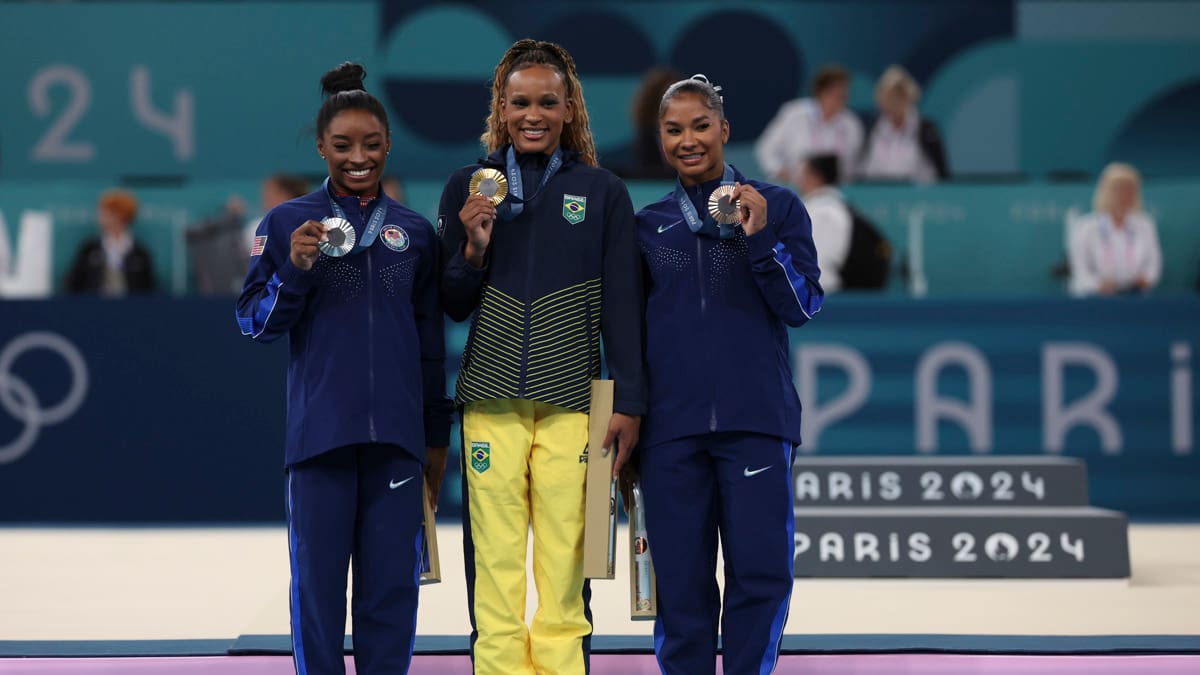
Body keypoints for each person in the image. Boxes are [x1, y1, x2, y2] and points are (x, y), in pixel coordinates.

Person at [235, 62, 453, 675]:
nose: (359, 157)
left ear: (389, 144)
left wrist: (435, 436)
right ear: (320, 148)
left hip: (397, 442)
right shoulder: (287, 223)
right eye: (343, 145)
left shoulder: (414, 233)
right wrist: (295, 270)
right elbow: (253, 323)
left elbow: (430, 345)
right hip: (321, 440)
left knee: (391, 596)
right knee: (318, 594)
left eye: (372, 144)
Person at [438, 39, 645, 675]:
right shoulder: (469, 187)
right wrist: (473, 249)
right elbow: (452, 303)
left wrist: (630, 401)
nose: (534, 114)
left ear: (568, 108)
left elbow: (623, 307)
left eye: (548, 102)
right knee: (495, 560)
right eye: (521, 102)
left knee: (564, 562)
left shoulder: (603, 191)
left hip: (574, 403)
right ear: (501, 108)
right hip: (490, 398)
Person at [635, 75, 823, 675]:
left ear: (724, 129)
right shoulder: (647, 224)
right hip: (671, 432)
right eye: (673, 130)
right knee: (681, 584)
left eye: (700, 126)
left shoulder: (777, 206)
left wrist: (761, 239)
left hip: (755, 422)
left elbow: (802, 308)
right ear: (660, 138)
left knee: (761, 574)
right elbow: (629, 334)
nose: (688, 140)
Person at [755, 65, 863, 184]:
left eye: (843, 94)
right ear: (820, 92)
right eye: (834, 93)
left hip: (834, 189)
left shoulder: (851, 123)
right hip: (794, 186)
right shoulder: (794, 114)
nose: (839, 98)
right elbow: (766, 148)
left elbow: (852, 165)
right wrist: (777, 169)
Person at [1069, 162, 1162, 296]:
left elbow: (1153, 265)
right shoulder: (1086, 226)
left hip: (1135, 296)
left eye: (1129, 190)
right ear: (1106, 191)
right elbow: (1080, 271)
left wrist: (1146, 279)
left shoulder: (1145, 224)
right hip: (1095, 297)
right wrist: (1098, 285)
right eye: (1118, 189)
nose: (1124, 195)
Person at [859, 65, 949, 183]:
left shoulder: (926, 129)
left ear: (907, 97)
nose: (891, 103)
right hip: (878, 191)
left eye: (896, 97)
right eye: (887, 98)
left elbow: (941, 173)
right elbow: (863, 169)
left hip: (919, 192)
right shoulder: (872, 128)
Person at [64, 188, 157, 295]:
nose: (100, 217)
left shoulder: (140, 253)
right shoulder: (89, 249)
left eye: (106, 213)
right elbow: (72, 284)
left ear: (120, 216)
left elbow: (149, 289)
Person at [797, 154, 852, 291]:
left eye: (803, 174)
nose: (799, 181)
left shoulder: (824, 212)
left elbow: (819, 263)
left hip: (819, 292)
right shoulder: (817, 208)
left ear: (816, 177)